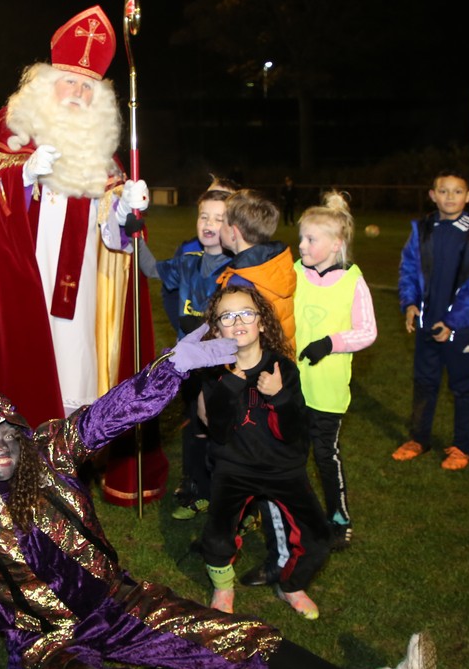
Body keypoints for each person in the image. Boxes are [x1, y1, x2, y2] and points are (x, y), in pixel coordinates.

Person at [0, 333, 435, 669]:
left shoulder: (48, 454)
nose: (3, 445)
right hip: (44, 640)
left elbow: (111, 413)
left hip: (118, 604)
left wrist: (173, 367)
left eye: (10, 431)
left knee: (241, 638)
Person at [0, 5, 153, 430]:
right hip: (26, 286)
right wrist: (24, 175)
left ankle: (72, 452)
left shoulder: (104, 155)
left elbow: (115, 242)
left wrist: (123, 209)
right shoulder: (9, 132)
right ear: (46, 84)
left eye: (88, 86)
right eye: (69, 81)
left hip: (83, 298)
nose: (78, 93)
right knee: (25, 376)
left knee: (77, 381)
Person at [197, 285, 331, 618]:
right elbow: (217, 432)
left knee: (317, 538)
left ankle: (291, 586)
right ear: (217, 329)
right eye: (227, 316)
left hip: (283, 468)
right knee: (217, 537)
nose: (237, 321)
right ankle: (223, 587)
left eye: (246, 313)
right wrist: (229, 387)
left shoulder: (283, 368)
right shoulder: (215, 372)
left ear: (261, 322)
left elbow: (293, 432)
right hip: (234, 467)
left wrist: (279, 396)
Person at [136, 182, 235, 520]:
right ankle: (197, 490)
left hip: (222, 368)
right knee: (195, 428)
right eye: (204, 216)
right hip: (191, 365)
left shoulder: (235, 270)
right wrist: (135, 236)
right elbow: (152, 270)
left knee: (223, 432)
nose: (209, 224)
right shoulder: (189, 261)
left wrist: (206, 330)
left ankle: (237, 500)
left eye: (218, 218)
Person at [289, 191, 376, 548]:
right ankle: (293, 515)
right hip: (290, 385)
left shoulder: (353, 281)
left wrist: (330, 343)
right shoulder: (295, 272)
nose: (302, 246)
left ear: (336, 244)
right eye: (301, 238)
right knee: (291, 455)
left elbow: (368, 331)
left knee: (325, 455)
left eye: (311, 239)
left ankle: (339, 516)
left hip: (327, 390)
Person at [392, 171, 469, 471]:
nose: (450, 197)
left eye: (457, 191)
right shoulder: (422, 229)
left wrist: (452, 322)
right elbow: (408, 268)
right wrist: (410, 303)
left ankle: (462, 446)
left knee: (463, 386)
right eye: (444, 191)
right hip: (426, 323)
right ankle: (418, 438)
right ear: (432, 195)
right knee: (424, 382)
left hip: (459, 327)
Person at [216, 189, 298, 352]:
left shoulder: (240, 281)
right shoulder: (276, 263)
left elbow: (237, 339)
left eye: (223, 221)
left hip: (253, 363)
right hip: (280, 357)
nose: (219, 228)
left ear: (233, 232)